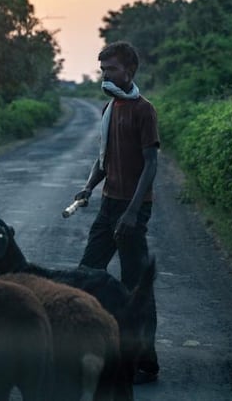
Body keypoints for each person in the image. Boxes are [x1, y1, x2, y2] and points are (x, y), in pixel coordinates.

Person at [73, 40, 160, 384]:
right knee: (86, 274)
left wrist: (133, 213)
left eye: (112, 70)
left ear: (130, 71)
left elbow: (151, 165)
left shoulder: (143, 110)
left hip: (132, 208)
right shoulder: (110, 108)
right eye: (103, 70)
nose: (106, 75)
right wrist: (88, 186)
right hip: (108, 204)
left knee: (136, 285)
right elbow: (103, 158)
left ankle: (145, 362)